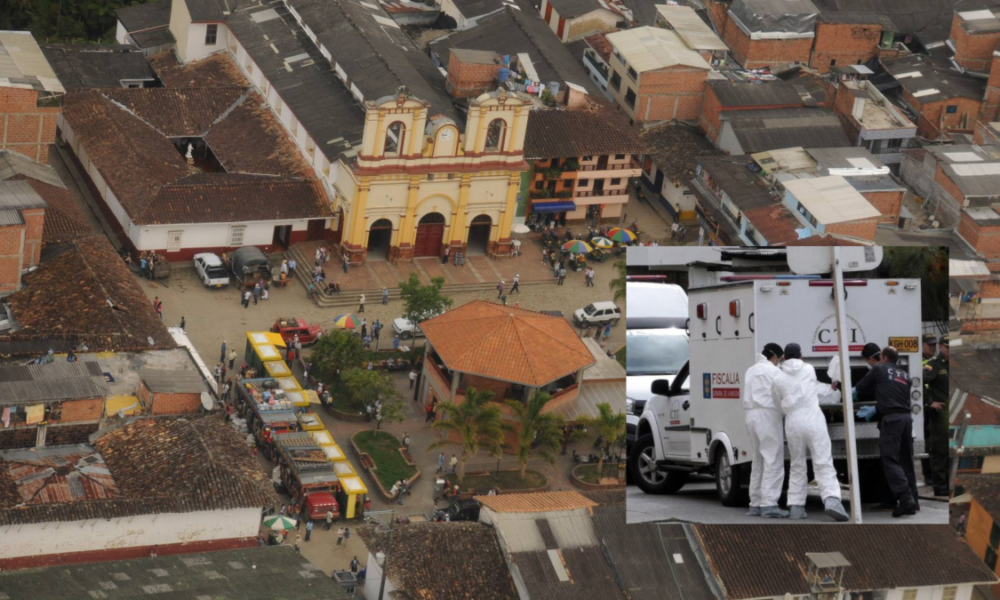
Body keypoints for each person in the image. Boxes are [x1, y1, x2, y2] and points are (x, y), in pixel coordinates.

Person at [771, 343, 848, 521]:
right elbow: (815, 388)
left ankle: (796, 507)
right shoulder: (809, 369)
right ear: (800, 356)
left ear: (783, 357)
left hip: (792, 422)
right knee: (823, 461)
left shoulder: (777, 378)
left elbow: (777, 403)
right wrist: (833, 389)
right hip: (813, 419)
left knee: (797, 464)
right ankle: (831, 501)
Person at [856, 346, 919, 517]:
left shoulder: (879, 369)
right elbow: (894, 396)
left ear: (883, 358)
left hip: (891, 420)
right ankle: (913, 500)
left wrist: (853, 392)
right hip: (906, 419)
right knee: (906, 459)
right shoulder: (905, 375)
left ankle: (905, 500)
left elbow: (862, 387)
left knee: (890, 459)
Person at [743, 343, 789, 518]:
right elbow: (783, 394)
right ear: (775, 358)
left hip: (750, 415)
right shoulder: (774, 372)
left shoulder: (751, 370)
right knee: (773, 459)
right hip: (767, 416)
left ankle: (755, 503)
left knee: (758, 460)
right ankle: (769, 504)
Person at [922, 334, 950, 497]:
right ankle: (940, 487)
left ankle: (948, 483)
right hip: (939, 415)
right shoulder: (934, 365)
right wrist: (929, 402)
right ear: (941, 346)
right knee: (939, 451)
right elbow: (921, 383)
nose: (949, 350)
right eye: (947, 347)